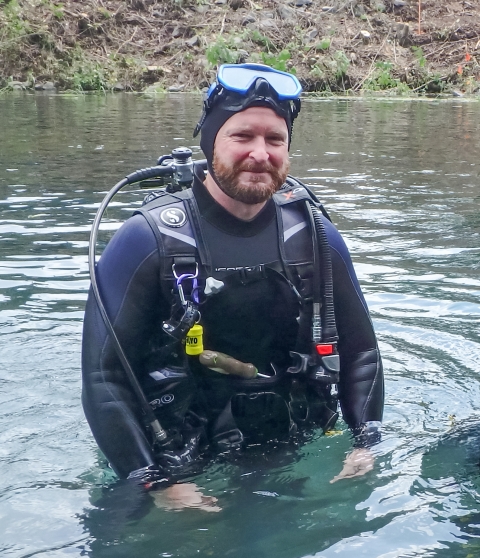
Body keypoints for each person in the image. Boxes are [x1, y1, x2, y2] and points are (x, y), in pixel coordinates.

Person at [82, 64, 384, 508]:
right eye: (243, 136)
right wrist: (153, 483)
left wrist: (365, 443)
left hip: (293, 441)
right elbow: (102, 378)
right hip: (177, 457)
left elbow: (361, 353)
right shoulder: (148, 241)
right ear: (211, 142)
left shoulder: (315, 237)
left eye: (274, 139)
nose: (260, 153)